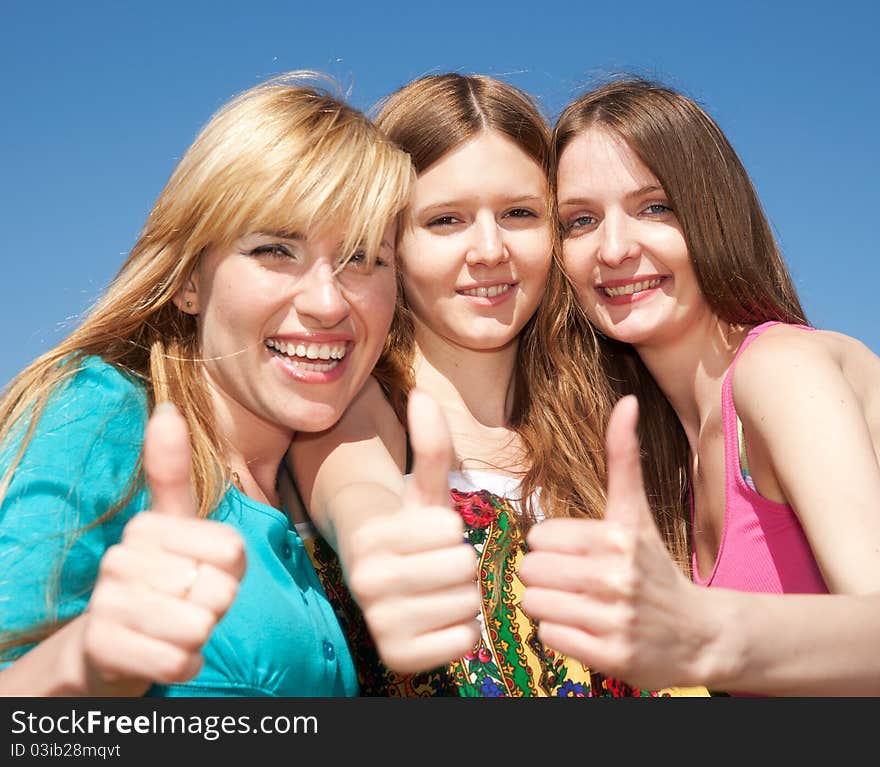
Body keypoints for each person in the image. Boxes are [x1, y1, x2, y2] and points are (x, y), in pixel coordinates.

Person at [286, 73, 708, 697]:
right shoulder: (353, 406)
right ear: (388, 243)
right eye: (445, 220)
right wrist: (375, 538)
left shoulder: (616, 426)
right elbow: (355, 491)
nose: (489, 250)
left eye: (519, 214)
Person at [0, 72, 415, 697]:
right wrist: (79, 666)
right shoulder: (102, 411)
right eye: (277, 249)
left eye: (363, 257)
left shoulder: (302, 504)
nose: (329, 302)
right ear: (190, 280)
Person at [519, 76, 880, 696]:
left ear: (713, 212)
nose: (613, 248)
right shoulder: (668, 444)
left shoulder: (779, 370)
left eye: (653, 207)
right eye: (580, 221)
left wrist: (706, 633)